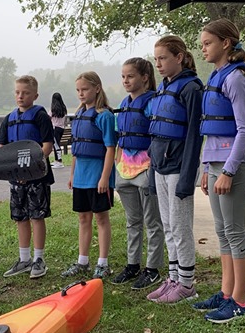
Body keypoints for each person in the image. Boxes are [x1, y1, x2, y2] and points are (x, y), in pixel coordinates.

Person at [194, 19, 245, 322]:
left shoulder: (236, 79)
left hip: (233, 165)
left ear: (225, 43)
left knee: (235, 231)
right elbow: (213, 133)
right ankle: (226, 293)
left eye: (207, 43)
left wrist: (229, 171)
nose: (203, 49)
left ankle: (241, 302)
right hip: (216, 164)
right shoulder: (217, 75)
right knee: (222, 231)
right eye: (201, 45)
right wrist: (207, 168)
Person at [145, 35, 203, 304]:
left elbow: (194, 135)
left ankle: (188, 285)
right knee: (168, 225)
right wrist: (151, 172)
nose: (158, 63)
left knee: (181, 227)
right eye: (155, 59)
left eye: (163, 58)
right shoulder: (162, 88)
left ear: (179, 57)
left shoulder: (190, 89)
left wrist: (187, 178)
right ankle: (173, 278)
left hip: (178, 168)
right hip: (160, 166)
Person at [112, 57, 164, 291]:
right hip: (125, 168)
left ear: (144, 77)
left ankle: (152, 269)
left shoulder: (153, 102)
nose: (125, 80)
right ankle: (133, 264)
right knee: (132, 221)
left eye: (130, 76)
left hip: (146, 167)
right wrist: (117, 161)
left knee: (152, 221)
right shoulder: (124, 102)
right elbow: (120, 136)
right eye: (123, 76)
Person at [0, 75, 55, 279]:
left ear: (35, 95)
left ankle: (39, 259)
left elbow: (47, 146)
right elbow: (2, 148)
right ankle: (24, 259)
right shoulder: (9, 119)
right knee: (20, 217)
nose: (20, 96)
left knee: (36, 216)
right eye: (17, 92)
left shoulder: (40, 116)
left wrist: (29, 170)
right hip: (15, 179)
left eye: (25, 93)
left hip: (37, 176)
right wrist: (14, 171)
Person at [62, 71, 117, 280]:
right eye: (78, 90)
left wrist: (105, 177)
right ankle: (82, 261)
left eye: (84, 89)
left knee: (101, 218)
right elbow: (76, 150)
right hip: (81, 177)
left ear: (97, 88)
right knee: (83, 218)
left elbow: (110, 148)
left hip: (98, 177)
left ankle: (103, 263)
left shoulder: (104, 116)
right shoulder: (79, 115)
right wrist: (72, 175)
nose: (81, 93)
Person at [50, 92, 68, 167]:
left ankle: (59, 161)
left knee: (56, 145)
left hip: (55, 129)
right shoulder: (63, 109)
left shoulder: (53, 110)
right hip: (61, 129)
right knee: (56, 144)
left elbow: (48, 117)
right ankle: (57, 160)